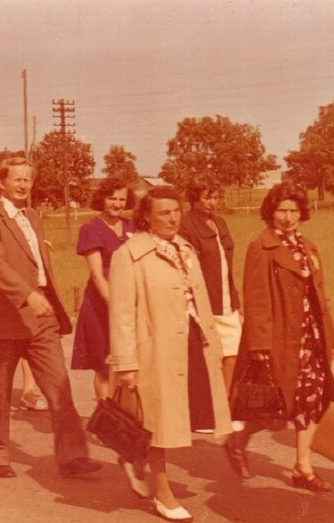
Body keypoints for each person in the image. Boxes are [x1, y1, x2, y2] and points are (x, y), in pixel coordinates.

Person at [109, 186, 231, 521]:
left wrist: (214, 343)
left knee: (177, 417)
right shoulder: (129, 254)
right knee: (159, 422)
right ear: (145, 216)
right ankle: (163, 495)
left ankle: (135, 458)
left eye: (176, 211)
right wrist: (126, 364)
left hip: (189, 342)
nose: (173, 218)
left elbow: (200, 301)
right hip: (152, 348)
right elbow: (120, 314)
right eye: (164, 213)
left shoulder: (184, 248)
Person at [0, 157, 100, 479]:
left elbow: (39, 266)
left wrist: (42, 298)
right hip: (5, 320)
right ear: (1, 183)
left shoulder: (33, 217)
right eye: (16, 179)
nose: (23, 185)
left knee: (59, 387)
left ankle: (72, 457)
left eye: (28, 180)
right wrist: (27, 294)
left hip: (42, 318)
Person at [225, 182, 334, 492]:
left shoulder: (308, 246)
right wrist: (260, 345)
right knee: (275, 406)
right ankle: (238, 440)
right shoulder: (261, 247)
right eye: (282, 211)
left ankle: (302, 466)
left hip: (310, 337)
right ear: (270, 213)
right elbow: (256, 297)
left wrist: (330, 336)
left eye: (293, 211)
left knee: (312, 400)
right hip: (279, 340)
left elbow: (319, 294)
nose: (288, 217)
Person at [179, 174, 242, 404]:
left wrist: (237, 298)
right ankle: (208, 407)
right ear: (194, 198)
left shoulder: (220, 222)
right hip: (203, 302)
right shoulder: (186, 225)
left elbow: (228, 262)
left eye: (215, 197)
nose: (212, 203)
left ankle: (225, 403)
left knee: (233, 353)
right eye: (207, 198)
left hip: (227, 301)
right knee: (208, 357)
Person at [71, 176, 135, 402]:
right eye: (111, 198)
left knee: (129, 362)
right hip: (102, 303)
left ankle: (127, 418)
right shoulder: (91, 228)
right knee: (105, 365)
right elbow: (97, 276)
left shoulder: (131, 226)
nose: (117, 204)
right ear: (102, 199)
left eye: (121, 199)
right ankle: (107, 419)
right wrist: (117, 307)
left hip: (131, 301)